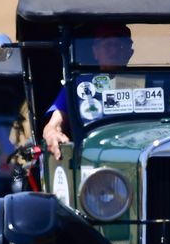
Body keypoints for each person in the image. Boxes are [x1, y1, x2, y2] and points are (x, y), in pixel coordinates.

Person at [41, 24, 134, 159]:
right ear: (95, 52)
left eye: (119, 46)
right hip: (91, 157)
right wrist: (53, 134)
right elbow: (54, 124)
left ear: (129, 52)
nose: (113, 52)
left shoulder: (147, 85)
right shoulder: (79, 85)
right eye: (107, 45)